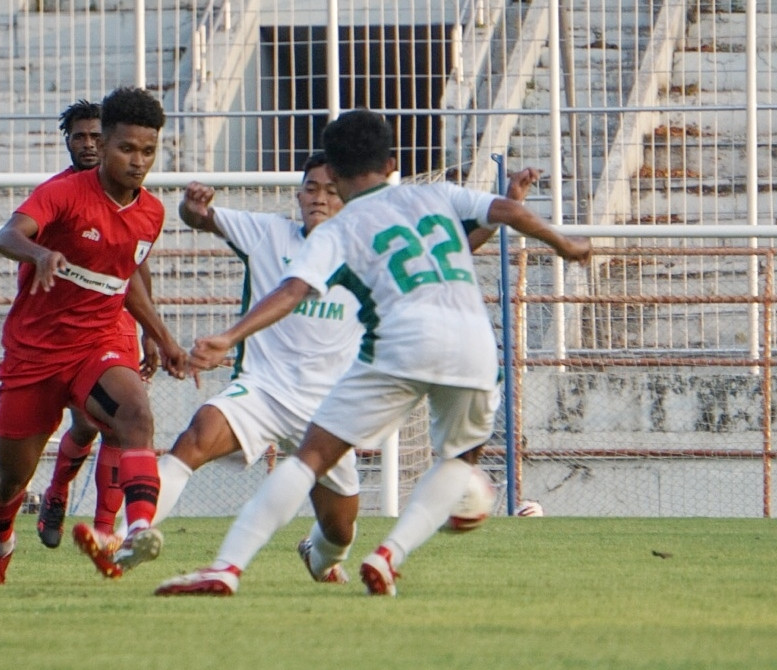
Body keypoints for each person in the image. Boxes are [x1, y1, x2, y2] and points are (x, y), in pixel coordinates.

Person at [155, 109, 590, 597]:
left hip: (400, 342)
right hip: (473, 343)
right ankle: (388, 556)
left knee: (308, 459)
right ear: (392, 162)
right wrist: (564, 243)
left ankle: (227, 568)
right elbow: (504, 213)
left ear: (335, 177)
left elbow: (295, 288)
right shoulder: (435, 194)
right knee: (459, 461)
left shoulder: (340, 230)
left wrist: (230, 337)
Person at [0, 86, 188, 585]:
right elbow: (5, 236)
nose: (138, 162)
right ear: (105, 144)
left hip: (96, 344)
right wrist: (40, 254)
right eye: (127, 149)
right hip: (35, 354)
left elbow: (125, 278)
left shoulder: (151, 213)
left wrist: (161, 337)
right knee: (9, 481)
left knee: (134, 414)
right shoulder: (63, 193)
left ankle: (131, 533)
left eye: (148, 151)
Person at [150, 151, 374, 585]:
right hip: (264, 389)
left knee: (339, 530)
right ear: (298, 194)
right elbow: (200, 218)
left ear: (347, 197)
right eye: (311, 188)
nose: (319, 198)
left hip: (329, 408)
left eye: (331, 190)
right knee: (196, 436)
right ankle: (129, 534)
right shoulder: (268, 233)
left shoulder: (365, 254)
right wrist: (193, 207)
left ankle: (320, 557)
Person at [35, 99, 160, 550]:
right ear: (68, 142)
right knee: (85, 426)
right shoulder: (59, 193)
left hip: (116, 321)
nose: (87, 144)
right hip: (63, 327)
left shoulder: (133, 197)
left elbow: (136, 264)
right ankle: (57, 491)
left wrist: (150, 329)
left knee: (123, 422)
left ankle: (106, 530)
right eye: (79, 137)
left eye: (94, 136)